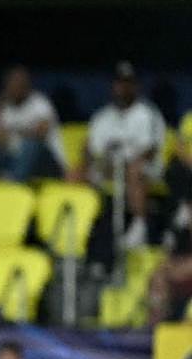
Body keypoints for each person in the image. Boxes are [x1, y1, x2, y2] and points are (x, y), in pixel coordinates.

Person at [70, 62, 167, 250]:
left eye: (128, 83)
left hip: (145, 171)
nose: (123, 87)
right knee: (74, 173)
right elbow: (89, 150)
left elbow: (149, 152)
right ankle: (78, 233)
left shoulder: (148, 114)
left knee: (133, 169)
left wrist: (117, 165)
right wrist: (96, 164)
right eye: (119, 83)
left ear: (137, 86)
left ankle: (139, 226)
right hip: (108, 169)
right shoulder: (102, 116)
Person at [0, 65, 65, 187]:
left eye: (19, 84)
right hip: (13, 159)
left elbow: (40, 134)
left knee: (30, 145)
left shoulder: (40, 102)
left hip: (46, 163)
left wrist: (13, 133)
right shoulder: (3, 107)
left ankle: (14, 187)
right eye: (10, 84)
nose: (13, 87)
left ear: (26, 86)